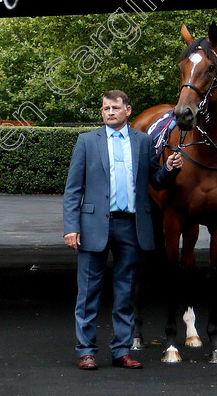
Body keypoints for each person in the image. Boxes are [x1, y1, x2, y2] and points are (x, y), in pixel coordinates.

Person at [63, 89, 182, 371]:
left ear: (128, 110)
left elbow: (156, 180)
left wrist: (169, 168)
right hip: (93, 225)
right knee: (88, 292)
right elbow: (72, 190)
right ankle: (86, 352)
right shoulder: (86, 141)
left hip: (131, 225)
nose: (110, 112)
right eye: (106, 108)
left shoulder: (143, 141)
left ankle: (121, 350)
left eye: (115, 108)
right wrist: (71, 227)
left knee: (126, 292)